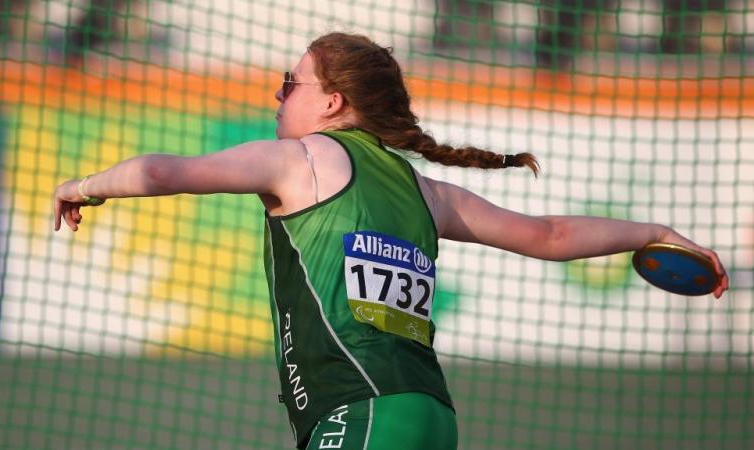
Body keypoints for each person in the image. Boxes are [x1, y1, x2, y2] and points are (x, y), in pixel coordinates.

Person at [53, 32, 729, 449]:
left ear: (333, 102)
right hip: (431, 420)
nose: (278, 97)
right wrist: (654, 233)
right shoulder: (423, 191)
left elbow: (163, 171)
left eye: (291, 84)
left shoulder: (301, 161)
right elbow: (549, 234)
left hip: (364, 413)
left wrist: (85, 184)